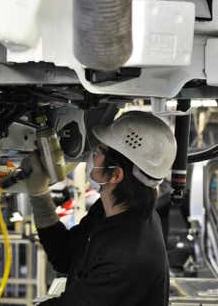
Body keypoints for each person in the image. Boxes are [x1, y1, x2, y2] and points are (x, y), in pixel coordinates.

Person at [27, 111, 177, 306]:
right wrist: (39, 194)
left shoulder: (126, 254)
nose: (94, 154)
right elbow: (65, 256)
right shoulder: (115, 210)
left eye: (101, 150)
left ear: (116, 175)